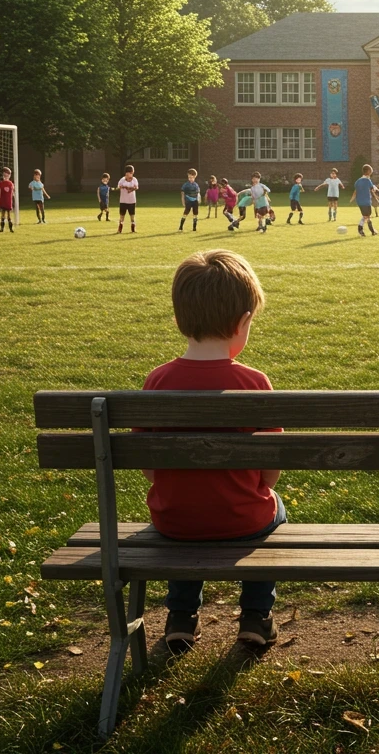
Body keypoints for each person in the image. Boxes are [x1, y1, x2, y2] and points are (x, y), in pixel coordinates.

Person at [142, 249, 284, 654]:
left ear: (178, 319)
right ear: (243, 323)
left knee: (187, 508)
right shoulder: (255, 382)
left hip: (174, 521)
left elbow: (151, 470)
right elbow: (270, 472)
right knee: (275, 509)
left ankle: (181, 616)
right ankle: (256, 616)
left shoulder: (157, 382)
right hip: (244, 519)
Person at [351, 164, 379, 237]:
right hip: (366, 201)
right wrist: (376, 192)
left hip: (360, 201)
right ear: (368, 171)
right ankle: (364, 230)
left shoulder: (357, 181)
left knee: (366, 216)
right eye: (371, 171)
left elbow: (356, 191)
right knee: (367, 216)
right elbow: (372, 189)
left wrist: (353, 198)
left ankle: (370, 231)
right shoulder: (368, 180)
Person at [117, 165, 138, 233]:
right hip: (123, 201)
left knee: (132, 215)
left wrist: (131, 189)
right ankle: (120, 229)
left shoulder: (134, 179)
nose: (131, 174)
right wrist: (123, 187)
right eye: (130, 172)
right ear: (126, 173)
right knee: (122, 215)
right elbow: (119, 186)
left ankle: (133, 228)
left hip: (132, 201)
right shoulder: (122, 180)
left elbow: (136, 187)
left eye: (132, 173)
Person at [0, 167, 15, 233]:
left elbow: (12, 192)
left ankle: (11, 229)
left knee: (9, 216)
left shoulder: (11, 184)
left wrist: (14, 198)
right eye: (5, 174)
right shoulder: (1, 183)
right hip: (3, 200)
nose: (6, 176)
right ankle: (2, 228)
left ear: (9, 175)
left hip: (8, 201)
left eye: (7, 174)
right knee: (2, 214)